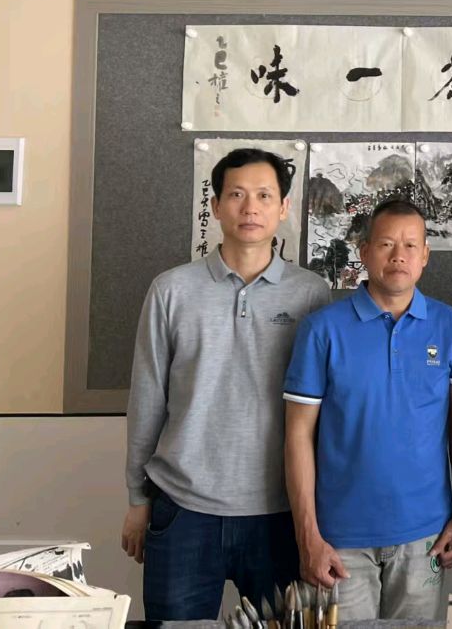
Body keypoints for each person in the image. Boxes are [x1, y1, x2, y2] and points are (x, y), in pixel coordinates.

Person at [122, 148, 331, 619]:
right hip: (183, 508)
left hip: (280, 511)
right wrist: (137, 498)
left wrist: (317, 514)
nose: (250, 207)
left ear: (284, 207)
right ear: (215, 206)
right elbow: (147, 398)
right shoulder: (171, 289)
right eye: (236, 195)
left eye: (264, 195)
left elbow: (322, 410)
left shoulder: (311, 293)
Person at [283, 198, 452, 621]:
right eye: (386, 244)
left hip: (425, 536)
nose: (398, 255)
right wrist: (307, 535)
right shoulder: (322, 329)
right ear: (364, 251)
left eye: (410, 245)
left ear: (425, 255)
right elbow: (297, 436)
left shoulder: (449, 326)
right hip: (340, 539)